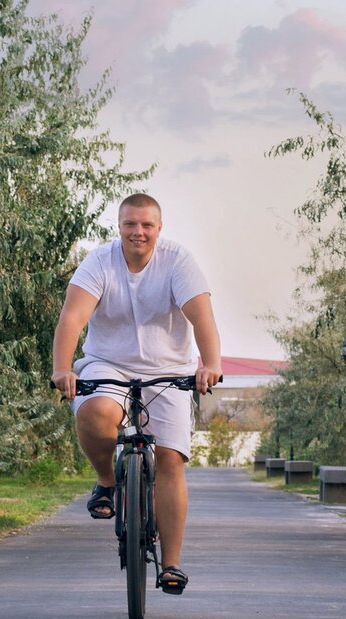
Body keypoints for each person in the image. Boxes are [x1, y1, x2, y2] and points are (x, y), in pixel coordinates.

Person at [50, 193, 223, 595]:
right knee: (94, 414)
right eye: (130, 224)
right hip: (108, 364)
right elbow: (73, 317)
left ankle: (173, 563)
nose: (138, 232)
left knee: (169, 460)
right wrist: (62, 368)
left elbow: (201, 317)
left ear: (158, 229)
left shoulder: (178, 262)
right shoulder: (99, 262)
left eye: (146, 225)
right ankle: (107, 481)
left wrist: (209, 363)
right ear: (119, 226)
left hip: (170, 370)